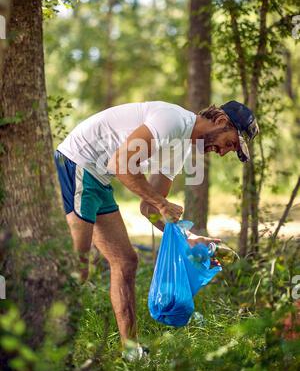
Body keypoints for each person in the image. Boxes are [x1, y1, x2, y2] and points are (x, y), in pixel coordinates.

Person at [54, 100, 259, 356]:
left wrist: (190, 237)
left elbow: (150, 210)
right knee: (77, 269)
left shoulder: (182, 148)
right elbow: (122, 164)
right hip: (77, 164)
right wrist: (161, 202)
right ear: (220, 121)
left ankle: (131, 351)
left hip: (98, 177)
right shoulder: (172, 120)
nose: (222, 152)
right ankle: (47, 348)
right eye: (230, 143)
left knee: (126, 261)